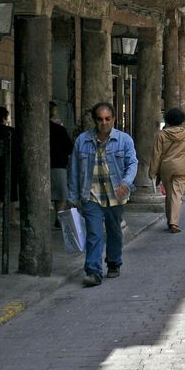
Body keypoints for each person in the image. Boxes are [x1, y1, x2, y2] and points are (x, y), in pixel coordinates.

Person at [67, 100, 136, 286]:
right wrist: (72, 197)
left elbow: (132, 163)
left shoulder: (124, 140)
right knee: (94, 233)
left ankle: (113, 262)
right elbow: (74, 170)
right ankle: (93, 271)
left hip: (116, 195)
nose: (103, 123)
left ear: (113, 119)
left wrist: (126, 183)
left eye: (107, 119)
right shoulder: (82, 140)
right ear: (94, 120)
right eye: (100, 119)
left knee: (114, 231)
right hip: (91, 195)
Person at [150, 106, 185, 233]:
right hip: (182, 168)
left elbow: (156, 155)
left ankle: (170, 221)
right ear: (181, 120)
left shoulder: (161, 135)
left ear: (168, 120)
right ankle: (174, 223)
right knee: (176, 195)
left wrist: (153, 172)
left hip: (166, 169)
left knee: (169, 195)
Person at [48, 116, 74, 216]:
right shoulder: (59, 129)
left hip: (53, 164)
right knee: (61, 195)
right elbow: (69, 148)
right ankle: (59, 217)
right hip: (57, 164)